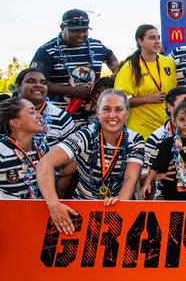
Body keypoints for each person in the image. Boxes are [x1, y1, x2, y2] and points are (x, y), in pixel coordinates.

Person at [37, 89, 145, 235]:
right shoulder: (84, 136)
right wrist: (53, 204)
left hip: (120, 206)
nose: (112, 115)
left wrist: (120, 205)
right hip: (83, 208)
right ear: (97, 113)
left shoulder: (135, 139)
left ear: (127, 113)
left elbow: (131, 178)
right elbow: (45, 163)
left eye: (118, 109)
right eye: (106, 109)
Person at [30, 9, 119, 126]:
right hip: (59, 119)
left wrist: (116, 70)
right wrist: (72, 91)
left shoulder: (96, 45)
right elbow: (38, 86)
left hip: (93, 117)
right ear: (62, 27)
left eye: (85, 30)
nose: (81, 35)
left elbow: (110, 56)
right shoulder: (47, 51)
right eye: (75, 31)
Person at [115, 24, 177, 139]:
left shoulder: (169, 63)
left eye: (158, 38)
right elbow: (119, 101)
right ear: (140, 41)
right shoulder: (129, 67)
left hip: (167, 129)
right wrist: (148, 99)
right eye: (152, 38)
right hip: (141, 131)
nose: (157, 41)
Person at [0, 98, 49, 199]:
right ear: (15, 123)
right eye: (32, 112)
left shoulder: (42, 148)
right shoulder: (1, 152)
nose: (39, 116)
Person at [14, 68, 75, 148]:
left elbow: (71, 152)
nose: (38, 85)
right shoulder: (6, 112)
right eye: (31, 81)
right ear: (18, 87)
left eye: (43, 83)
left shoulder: (61, 117)